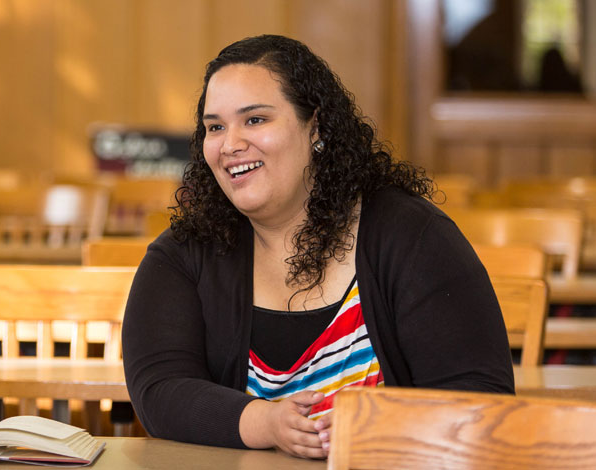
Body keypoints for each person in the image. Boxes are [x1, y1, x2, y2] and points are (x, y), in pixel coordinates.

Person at [121, 35, 514, 459]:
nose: (230, 143)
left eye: (254, 120)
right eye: (215, 127)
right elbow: (160, 389)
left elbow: (477, 397)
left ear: (317, 128)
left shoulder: (412, 237)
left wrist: (369, 429)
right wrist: (266, 422)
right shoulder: (183, 254)